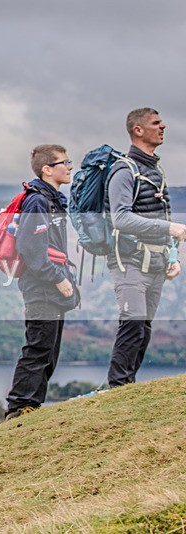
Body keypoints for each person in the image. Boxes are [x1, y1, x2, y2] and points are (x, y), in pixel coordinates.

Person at [105, 108, 186, 388]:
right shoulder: (124, 171)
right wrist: (170, 229)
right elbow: (121, 217)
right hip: (129, 261)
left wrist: (172, 255)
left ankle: (128, 387)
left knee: (144, 328)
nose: (163, 126)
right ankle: (118, 387)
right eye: (155, 123)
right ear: (138, 130)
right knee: (133, 323)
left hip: (156, 261)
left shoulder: (154, 169)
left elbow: (160, 215)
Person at [5, 145, 80, 420]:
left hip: (48, 286)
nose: (70, 167)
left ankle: (31, 407)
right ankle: (18, 409)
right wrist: (58, 279)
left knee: (49, 349)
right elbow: (30, 247)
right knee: (38, 347)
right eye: (65, 162)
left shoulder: (51, 199)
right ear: (47, 169)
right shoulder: (38, 201)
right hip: (42, 287)